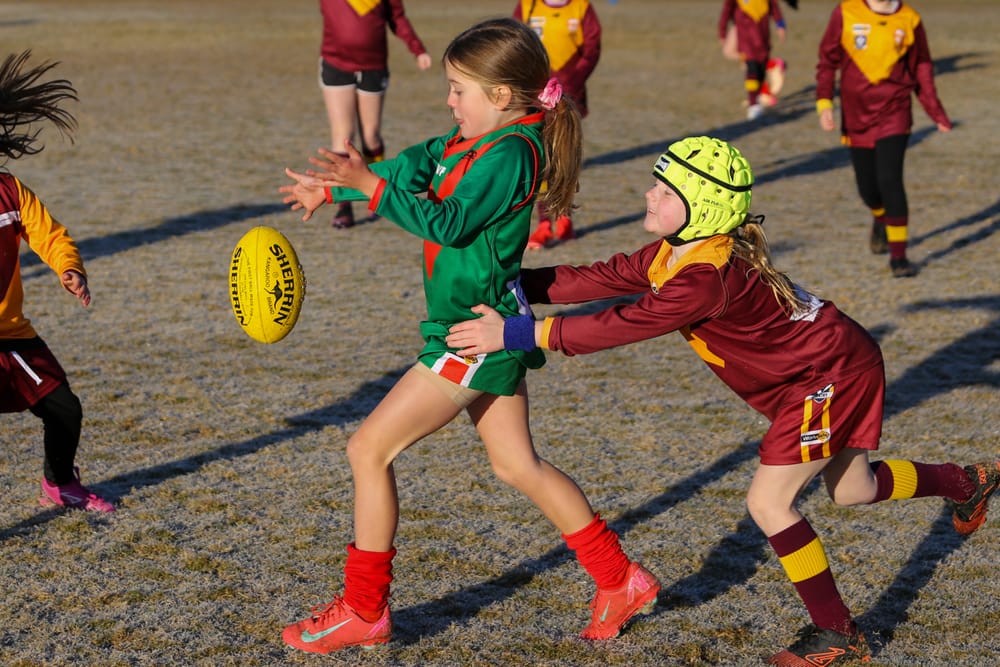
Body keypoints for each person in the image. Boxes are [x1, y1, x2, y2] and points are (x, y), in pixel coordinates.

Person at [446, 135, 999, 665]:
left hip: (827, 373)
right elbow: (602, 277)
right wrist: (515, 282)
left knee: (769, 504)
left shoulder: (703, 279)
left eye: (665, 192)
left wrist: (514, 333)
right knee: (854, 490)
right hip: (832, 360)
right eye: (656, 186)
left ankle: (838, 633)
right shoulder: (682, 251)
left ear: (703, 209)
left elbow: (618, 326)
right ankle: (965, 482)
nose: (648, 195)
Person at [277, 18, 659, 654]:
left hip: (470, 336)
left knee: (368, 450)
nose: (449, 101)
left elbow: (451, 223)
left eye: (460, 89)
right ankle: (620, 578)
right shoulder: (472, 138)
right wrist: (345, 179)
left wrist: (369, 188)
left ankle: (364, 610)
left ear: (504, 96)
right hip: (486, 325)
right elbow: (418, 162)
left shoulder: (512, 152)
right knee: (517, 465)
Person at [0, 51, 114, 513]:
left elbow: (48, 233)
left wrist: (69, 267)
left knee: (64, 408)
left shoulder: (9, 189)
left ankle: (60, 482)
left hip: (11, 334)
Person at [816, 0, 952, 278]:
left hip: (895, 111)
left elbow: (922, 67)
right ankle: (880, 216)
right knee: (868, 188)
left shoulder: (910, 19)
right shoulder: (846, 12)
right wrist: (824, 103)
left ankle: (898, 257)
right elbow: (827, 62)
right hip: (856, 116)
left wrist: (935, 111)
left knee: (890, 179)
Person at [317, 0, 433, 229]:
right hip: (336, 62)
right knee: (343, 137)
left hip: (373, 65)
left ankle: (375, 192)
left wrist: (417, 49)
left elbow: (397, 18)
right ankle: (343, 204)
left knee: (371, 137)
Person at [514, 0, 602, 249]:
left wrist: (571, 83)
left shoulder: (581, 7)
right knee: (539, 158)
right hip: (534, 96)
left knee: (563, 157)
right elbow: (514, 43)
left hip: (569, 96)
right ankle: (544, 223)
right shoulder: (527, 5)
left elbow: (592, 48)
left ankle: (564, 219)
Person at [718, 0, 787, 120]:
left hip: (762, 36)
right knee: (752, 70)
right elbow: (726, 12)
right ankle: (753, 105)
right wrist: (722, 32)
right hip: (745, 37)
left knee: (760, 70)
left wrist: (780, 25)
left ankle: (760, 92)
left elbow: (774, 8)